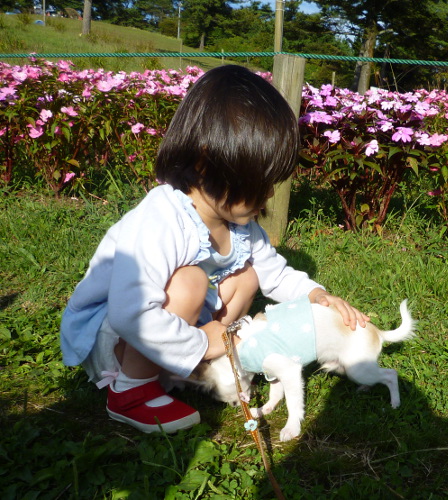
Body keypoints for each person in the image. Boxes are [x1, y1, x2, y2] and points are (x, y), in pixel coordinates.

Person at [60, 65, 370, 434]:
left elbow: (275, 273)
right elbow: (132, 314)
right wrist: (200, 341)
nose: (269, 194)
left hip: (175, 326)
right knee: (190, 281)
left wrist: (316, 295)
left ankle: (194, 362)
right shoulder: (161, 218)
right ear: (206, 162)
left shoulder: (240, 224)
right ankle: (132, 390)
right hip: (119, 334)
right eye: (261, 182)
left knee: (248, 275)